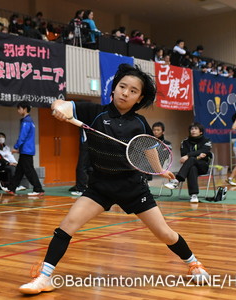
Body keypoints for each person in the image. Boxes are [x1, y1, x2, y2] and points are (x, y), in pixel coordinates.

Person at [18, 64, 209, 294]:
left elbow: (147, 149)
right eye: (122, 86)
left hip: (133, 187)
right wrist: (59, 108)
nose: (125, 93)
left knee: (164, 233)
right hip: (100, 186)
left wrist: (159, 169)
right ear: (113, 88)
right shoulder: (94, 112)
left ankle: (193, 263)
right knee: (67, 225)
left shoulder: (139, 123)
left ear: (139, 98)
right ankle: (44, 277)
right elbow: (62, 103)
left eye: (133, 91)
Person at [164, 123, 212, 203]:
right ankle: (194, 195)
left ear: (201, 132)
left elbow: (204, 151)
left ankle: (176, 180)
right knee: (192, 168)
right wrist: (197, 156)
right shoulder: (185, 142)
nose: (193, 131)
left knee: (192, 160)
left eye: (195, 129)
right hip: (190, 166)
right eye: (192, 129)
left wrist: (189, 155)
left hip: (203, 166)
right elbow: (183, 156)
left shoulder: (207, 141)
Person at [6, 101, 45, 196]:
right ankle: (12, 188)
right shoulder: (30, 121)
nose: (18, 111)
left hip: (26, 150)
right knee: (19, 170)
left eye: (19, 108)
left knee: (29, 170)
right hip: (26, 150)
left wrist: (16, 147)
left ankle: (38, 189)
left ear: (25, 109)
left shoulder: (26, 121)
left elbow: (23, 136)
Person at [68, 128, 92, 197]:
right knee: (89, 167)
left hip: (86, 143)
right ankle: (86, 187)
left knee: (81, 167)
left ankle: (82, 189)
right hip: (88, 144)